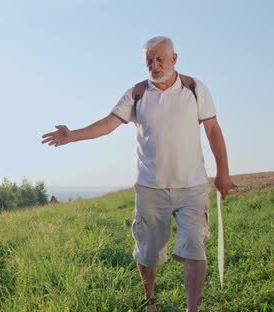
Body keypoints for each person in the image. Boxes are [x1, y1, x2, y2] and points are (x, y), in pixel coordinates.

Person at [41, 36, 232, 312]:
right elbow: (108, 124)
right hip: (151, 188)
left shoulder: (195, 89)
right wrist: (72, 136)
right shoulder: (137, 93)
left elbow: (213, 131)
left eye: (160, 60)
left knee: (194, 246)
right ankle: (150, 298)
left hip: (192, 186)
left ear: (174, 59)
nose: (154, 66)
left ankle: (192, 309)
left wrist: (223, 173)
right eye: (149, 61)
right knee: (148, 252)